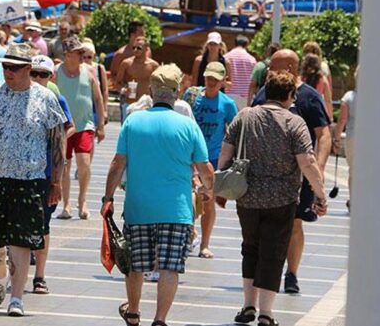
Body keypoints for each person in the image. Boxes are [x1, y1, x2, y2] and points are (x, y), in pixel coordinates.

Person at [102, 64, 214, 326]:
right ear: (176, 93)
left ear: (151, 91)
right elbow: (205, 169)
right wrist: (208, 191)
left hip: (139, 208)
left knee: (136, 264)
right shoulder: (187, 125)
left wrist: (108, 198)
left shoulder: (133, 121)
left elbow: (118, 164)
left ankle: (133, 311)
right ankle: (160, 319)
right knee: (170, 266)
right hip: (176, 211)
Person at [0, 43, 66, 316]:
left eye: (15, 68)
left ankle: (16, 298)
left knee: (21, 240)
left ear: (28, 70)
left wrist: (56, 182)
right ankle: (0, 275)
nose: (8, 71)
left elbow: (57, 142)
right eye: (6, 66)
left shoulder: (45, 98)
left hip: (29, 179)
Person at [220, 71, 328, 326]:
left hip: (246, 196)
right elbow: (307, 162)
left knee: (250, 248)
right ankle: (266, 313)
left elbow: (226, 153)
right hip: (282, 200)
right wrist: (320, 194)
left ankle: (248, 306)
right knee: (273, 253)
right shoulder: (295, 123)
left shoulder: (244, 115)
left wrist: (220, 189)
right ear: (290, 95)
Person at [252, 49, 332, 294]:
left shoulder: (308, 97)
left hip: (298, 175)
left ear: (289, 68)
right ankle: (264, 273)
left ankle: (291, 274)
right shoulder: (264, 94)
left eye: (273, 66)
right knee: (263, 227)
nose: (269, 71)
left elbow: (324, 134)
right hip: (265, 175)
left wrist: (317, 168)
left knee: (295, 224)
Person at [29, 55, 75, 294]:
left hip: (46, 172)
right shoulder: (18, 97)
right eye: (33, 73)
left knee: (43, 223)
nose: (37, 79)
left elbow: (69, 126)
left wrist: (56, 141)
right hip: (20, 173)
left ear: (51, 76)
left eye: (42, 74)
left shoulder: (56, 99)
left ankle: (39, 276)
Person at [183, 61, 238, 259]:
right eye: (208, 77)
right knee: (186, 199)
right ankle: (190, 233)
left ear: (223, 80)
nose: (211, 81)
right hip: (188, 157)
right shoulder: (192, 97)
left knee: (208, 201)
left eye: (216, 78)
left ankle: (204, 244)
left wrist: (230, 162)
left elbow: (234, 131)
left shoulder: (227, 104)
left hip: (211, 159)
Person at [55, 36, 106, 220]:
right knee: (65, 167)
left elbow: (98, 99)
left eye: (81, 52)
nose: (82, 55)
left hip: (85, 125)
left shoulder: (89, 71)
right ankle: (66, 204)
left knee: (84, 163)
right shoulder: (56, 72)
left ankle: (82, 200)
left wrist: (101, 125)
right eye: (78, 53)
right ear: (68, 55)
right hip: (63, 127)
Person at [333, 67, 358, 210]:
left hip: (353, 137)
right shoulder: (377, 97)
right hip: (371, 137)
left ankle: (353, 200)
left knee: (353, 170)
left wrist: (336, 138)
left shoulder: (348, 96)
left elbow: (342, 120)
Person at [116, 36, 159, 105]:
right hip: (129, 103)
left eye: (139, 48)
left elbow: (158, 84)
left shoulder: (153, 65)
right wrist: (123, 90)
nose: (135, 50)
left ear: (146, 49)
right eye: (134, 47)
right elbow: (117, 83)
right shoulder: (126, 63)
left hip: (146, 104)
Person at [109, 21, 152, 87]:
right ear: (132, 35)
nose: (144, 36)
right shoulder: (120, 54)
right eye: (141, 33)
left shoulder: (147, 51)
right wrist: (123, 89)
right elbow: (113, 75)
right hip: (127, 92)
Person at [224, 35, 257, 109]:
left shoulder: (226, 57)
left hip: (230, 95)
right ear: (247, 45)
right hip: (246, 96)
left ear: (235, 43)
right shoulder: (251, 59)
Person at [301, 53, 334, 121]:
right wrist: (330, 117)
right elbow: (328, 100)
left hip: (302, 110)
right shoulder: (323, 79)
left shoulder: (301, 78)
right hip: (317, 111)